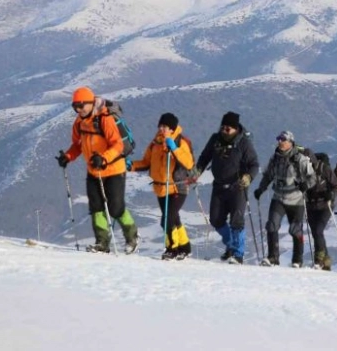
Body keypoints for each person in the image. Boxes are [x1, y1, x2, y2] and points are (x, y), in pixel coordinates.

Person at [55, 86, 138, 254]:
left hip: (114, 169)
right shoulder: (79, 122)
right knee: (96, 207)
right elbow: (78, 145)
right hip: (94, 171)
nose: (78, 110)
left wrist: (104, 158)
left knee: (115, 207)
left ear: (90, 103)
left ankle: (132, 237)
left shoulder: (104, 119)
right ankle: (102, 243)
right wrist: (68, 156)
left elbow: (117, 144)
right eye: (74, 107)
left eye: (80, 106)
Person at [195, 111, 259, 265]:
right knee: (216, 219)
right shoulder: (215, 139)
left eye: (228, 128)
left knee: (237, 220)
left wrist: (248, 177)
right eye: (222, 127)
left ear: (236, 129)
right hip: (218, 186)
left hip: (238, 187)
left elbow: (254, 164)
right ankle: (231, 244)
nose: (224, 130)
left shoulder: (243, 143)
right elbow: (205, 157)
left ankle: (238, 253)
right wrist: (196, 172)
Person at [131, 113, 194, 260]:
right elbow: (146, 163)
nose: (161, 129)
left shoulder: (180, 142)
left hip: (177, 187)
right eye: (160, 126)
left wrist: (175, 149)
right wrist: (131, 165)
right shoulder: (156, 143)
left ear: (172, 129)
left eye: (165, 127)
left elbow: (189, 163)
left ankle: (172, 248)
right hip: (161, 188)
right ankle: (185, 247)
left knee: (167, 219)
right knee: (174, 218)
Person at [253, 130, 316, 268]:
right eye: (279, 139)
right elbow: (268, 175)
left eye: (283, 140)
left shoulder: (300, 159)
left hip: (296, 200)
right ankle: (272, 257)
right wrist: (261, 189)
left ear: (290, 142)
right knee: (271, 225)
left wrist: (306, 185)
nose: (280, 142)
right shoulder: (274, 159)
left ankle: (297, 260)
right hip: (279, 198)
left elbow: (313, 177)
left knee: (295, 230)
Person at [302, 151, 337, 270]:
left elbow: (336, 185)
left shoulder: (324, 169)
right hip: (311, 205)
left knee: (318, 230)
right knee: (316, 234)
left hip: (325, 205)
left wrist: (331, 194)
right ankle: (326, 262)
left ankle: (319, 260)